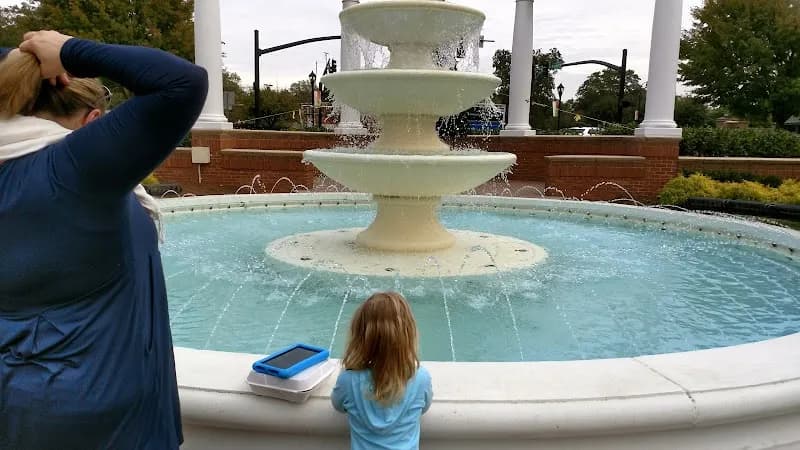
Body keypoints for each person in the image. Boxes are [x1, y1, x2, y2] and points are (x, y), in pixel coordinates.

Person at [0, 31, 208, 449]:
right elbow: (182, 83)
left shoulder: (19, 169)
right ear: (93, 120)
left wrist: (28, 60)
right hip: (108, 421)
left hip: (23, 406)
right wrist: (67, 50)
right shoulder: (74, 171)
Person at [332, 292, 433, 450]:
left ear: (360, 336)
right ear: (408, 333)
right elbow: (424, 407)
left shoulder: (348, 380)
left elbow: (338, 406)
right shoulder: (420, 378)